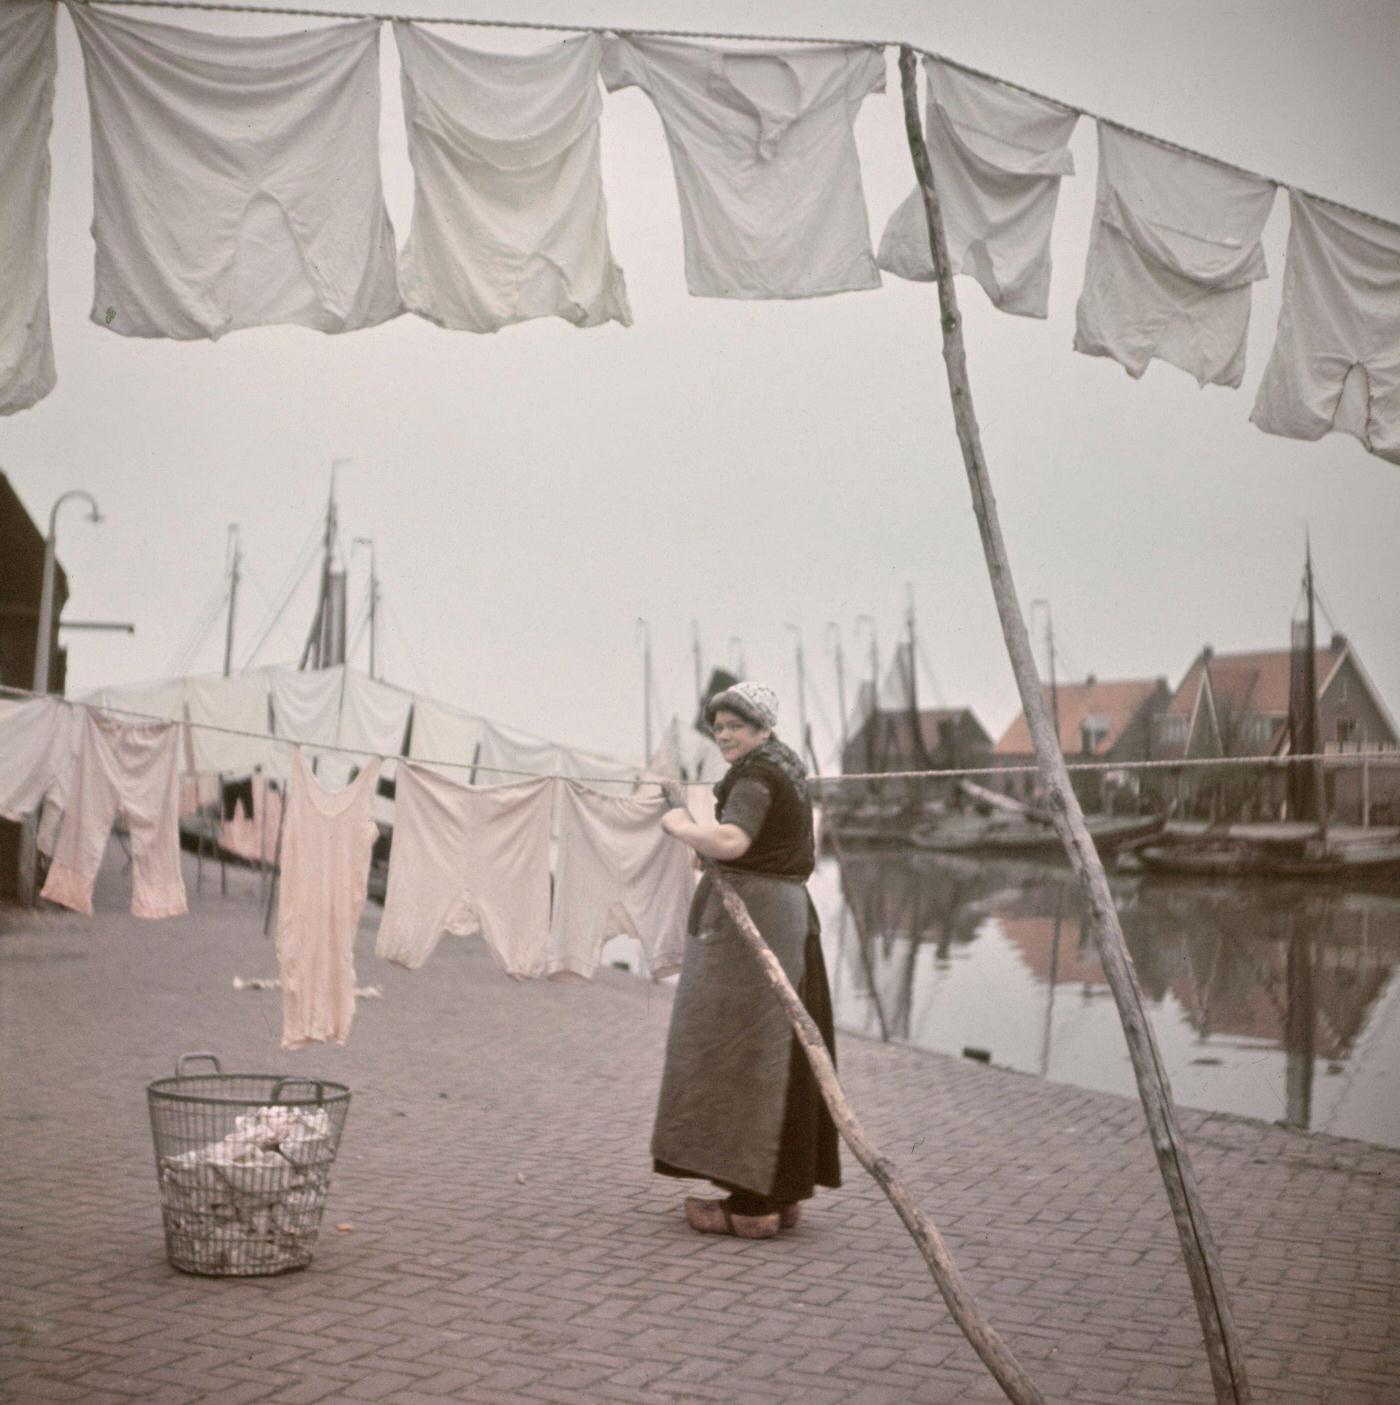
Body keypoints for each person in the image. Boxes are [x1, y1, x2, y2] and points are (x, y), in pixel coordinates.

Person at [653, 681, 840, 1239]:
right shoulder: (786, 765)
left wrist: (681, 826)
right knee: (778, 1055)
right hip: (788, 916)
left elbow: (734, 841)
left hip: (757, 926)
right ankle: (781, 1197)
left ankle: (750, 1208)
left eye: (736, 726)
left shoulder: (757, 775)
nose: (726, 736)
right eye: (719, 727)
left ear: (762, 728)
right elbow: (765, 845)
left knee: (744, 1057)